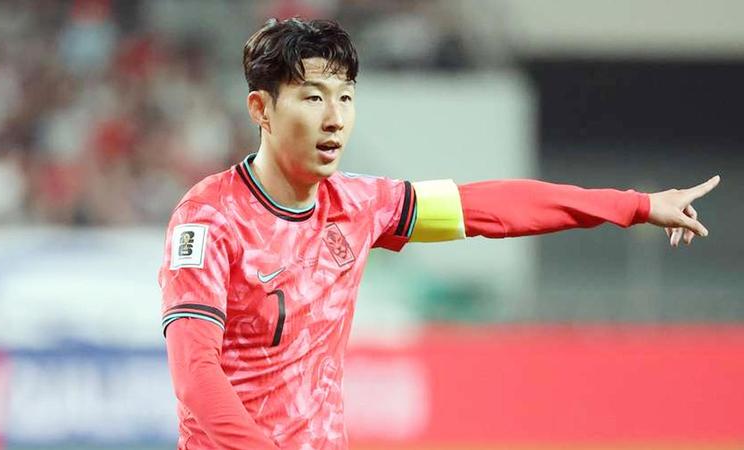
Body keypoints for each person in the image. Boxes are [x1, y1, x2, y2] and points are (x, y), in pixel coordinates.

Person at [158, 17, 720, 450]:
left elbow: (489, 208)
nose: (335, 118)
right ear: (261, 108)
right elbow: (195, 375)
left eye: (345, 96)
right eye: (313, 97)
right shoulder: (210, 218)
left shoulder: (360, 205)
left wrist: (635, 205)